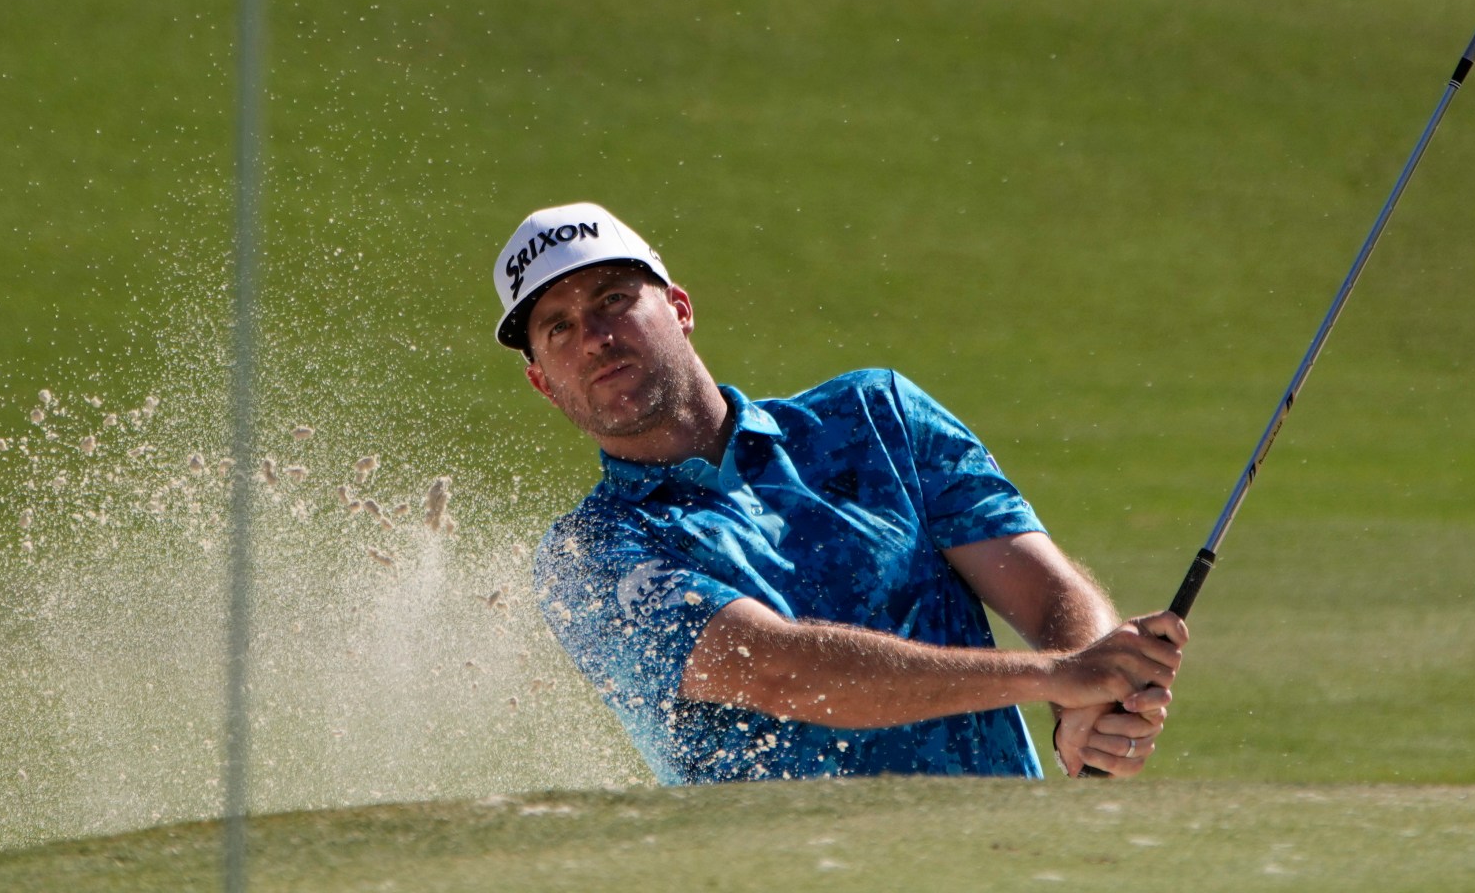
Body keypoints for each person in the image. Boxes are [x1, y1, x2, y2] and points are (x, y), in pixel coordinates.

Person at [500, 202, 1188, 785]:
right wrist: (1055, 677)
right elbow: (780, 672)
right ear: (542, 382)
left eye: (613, 299)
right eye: (557, 327)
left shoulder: (875, 415)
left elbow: (1048, 591)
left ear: (679, 307)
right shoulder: (586, 559)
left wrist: (1087, 706)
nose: (593, 338)